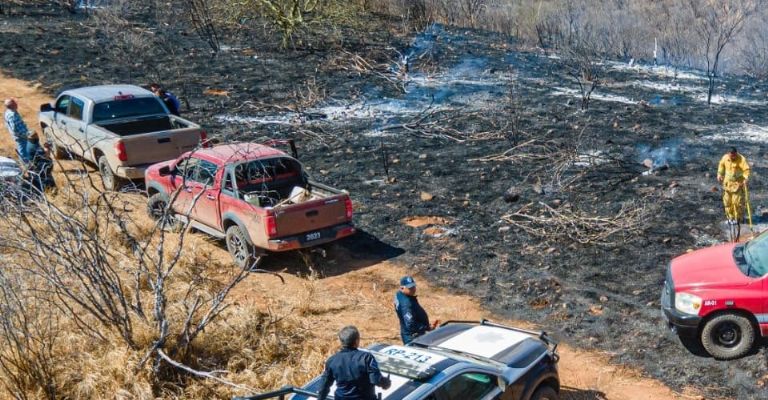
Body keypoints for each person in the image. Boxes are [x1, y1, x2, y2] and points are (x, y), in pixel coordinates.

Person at [317, 325, 391, 400]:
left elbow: (323, 386)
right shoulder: (366, 358)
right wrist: (386, 383)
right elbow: (376, 380)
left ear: (341, 341)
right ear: (356, 341)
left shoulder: (332, 360)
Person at [394, 276, 437, 344]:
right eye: (410, 288)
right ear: (402, 288)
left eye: (413, 286)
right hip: (413, 337)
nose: (413, 289)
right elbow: (410, 325)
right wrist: (426, 327)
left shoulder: (399, 295)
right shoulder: (406, 304)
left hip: (410, 334)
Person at [717, 147, 750, 225]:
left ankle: (738, 218)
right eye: (731, 156)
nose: (732, 157)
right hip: (727, 184)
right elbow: (721, 165)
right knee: (727, 202)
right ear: (728, 154)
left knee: (737, 202)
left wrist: (745, 178)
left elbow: (746, 170)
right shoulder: (725, 158)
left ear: (736, 153)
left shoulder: (741, 159)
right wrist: (719, 174)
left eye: (734, 156)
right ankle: (730, 218)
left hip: (737, 184)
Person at [3, 98, 31, 163]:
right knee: (23, 152)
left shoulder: (8, 112)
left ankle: (26, 163)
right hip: (21, 137)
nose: (16, 104)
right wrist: (26, 135)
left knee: (23, 150)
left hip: (19, 136)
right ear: (12, 105)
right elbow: (14, 129)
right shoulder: (13, 115)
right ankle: (26, 165)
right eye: (15, 103)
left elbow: (7, 124)